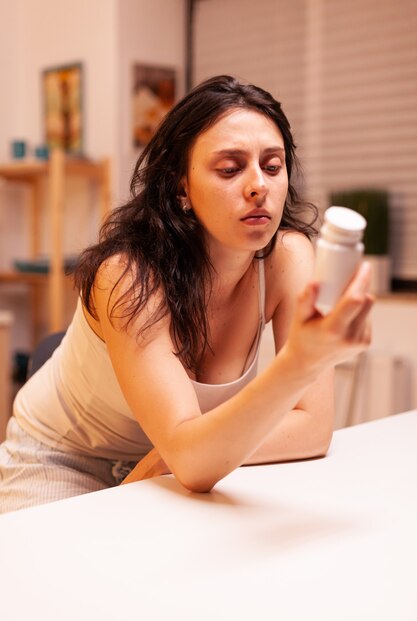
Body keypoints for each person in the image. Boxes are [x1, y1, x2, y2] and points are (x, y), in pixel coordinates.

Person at [0, 75, 373, 514]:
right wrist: (298, 365)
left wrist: (178, 453)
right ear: (182, 188)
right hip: (65, 459)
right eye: (230, 169)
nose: (259, 186)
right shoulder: (128, 275)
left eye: (272, 166)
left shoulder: (288, 257)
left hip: (180, 462)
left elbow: (313, 430)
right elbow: (195, 461)